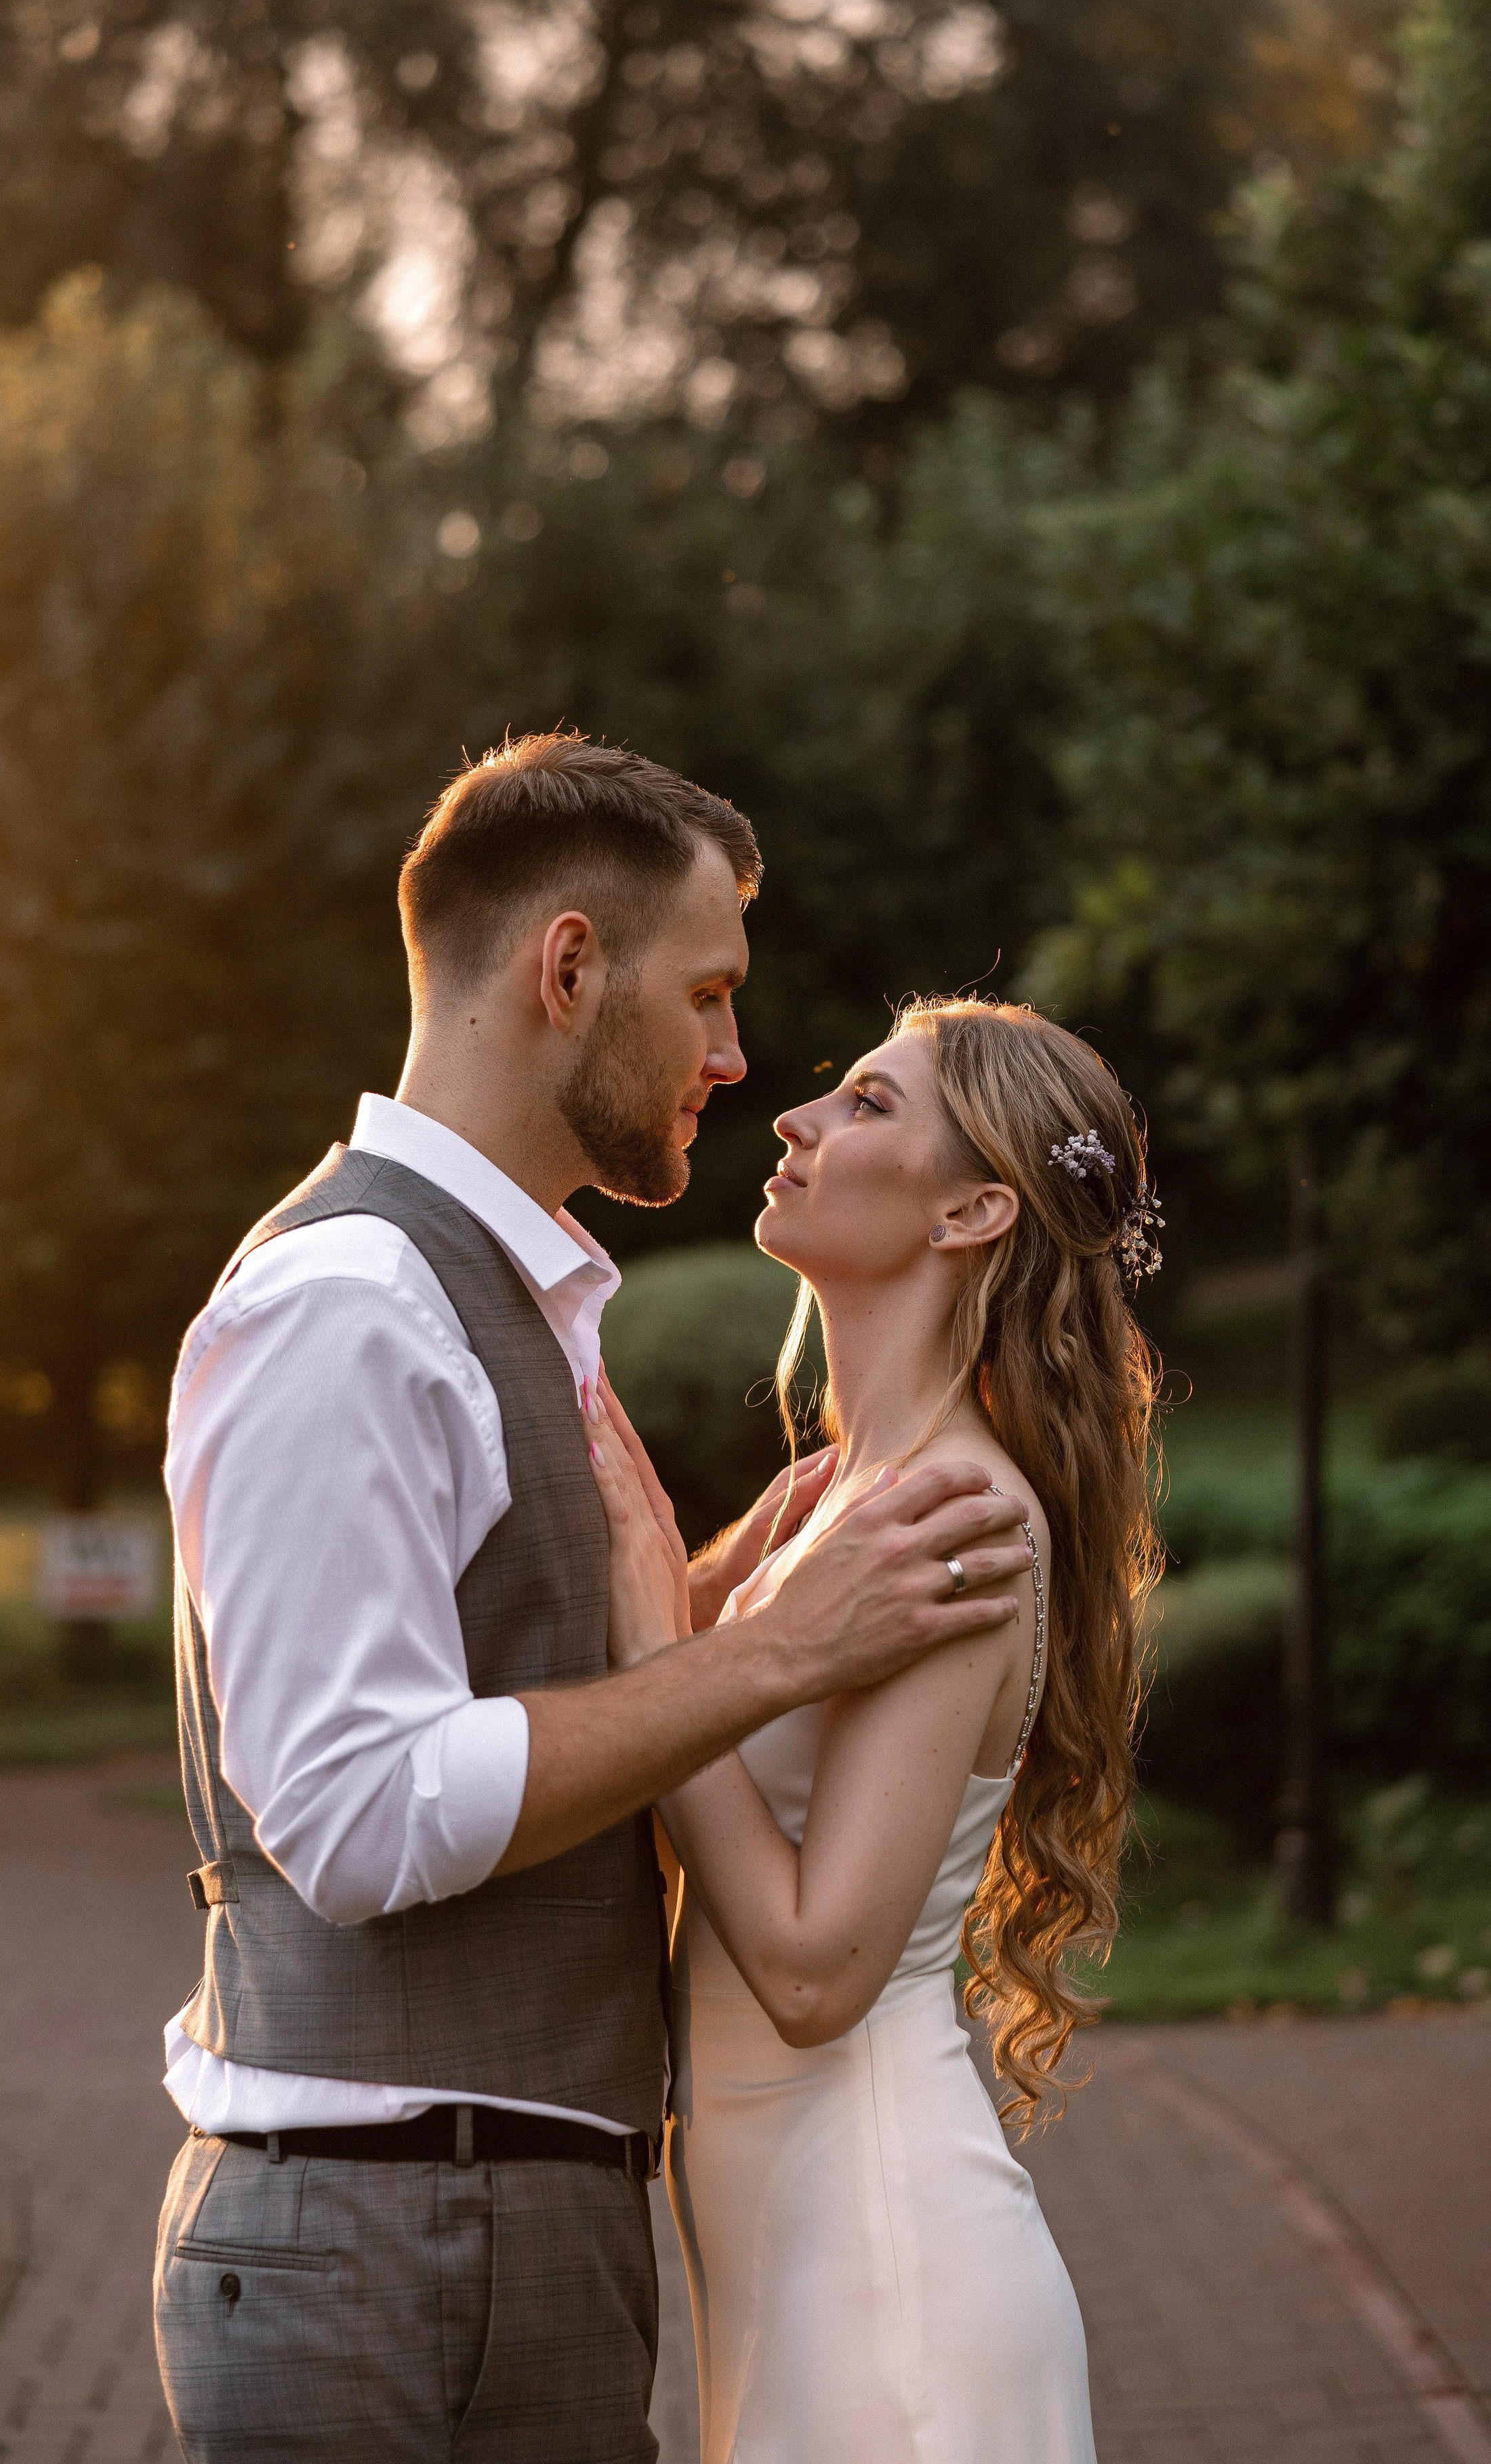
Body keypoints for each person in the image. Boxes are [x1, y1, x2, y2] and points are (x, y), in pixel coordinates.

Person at [152, 735, 1032, 2463]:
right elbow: (353, 1813)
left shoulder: (503, 1299)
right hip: (386, 2242)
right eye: (706, 995)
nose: (735, 1056)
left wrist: (697, 1607)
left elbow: (497, 1679)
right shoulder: (353, 1300)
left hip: (508, 2223)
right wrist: (769, 1653)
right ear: (568, 970)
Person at [586, 995, 1162, 2464]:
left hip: (886, 2280)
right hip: (789, 2253)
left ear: (971, 1212)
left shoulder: (952, 1525)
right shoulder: (834, 1502)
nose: (795, 1118)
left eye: (867, 1104)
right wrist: (696, 1618)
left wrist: (664, 1648)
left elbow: (813, 1970)